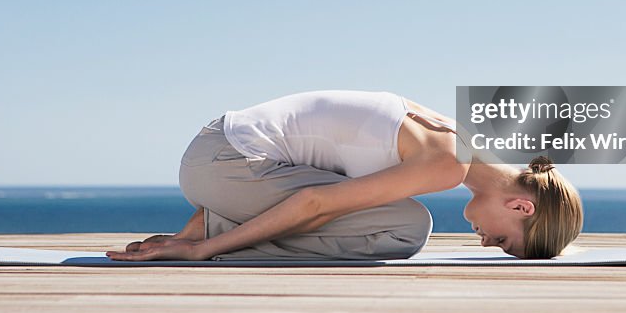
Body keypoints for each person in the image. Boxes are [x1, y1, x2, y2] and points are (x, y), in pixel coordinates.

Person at [106, 90, 583, 262]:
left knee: (389, 213)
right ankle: (217, 229)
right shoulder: (447, 162)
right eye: (503, 241)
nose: (484, 242)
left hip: (221, 155)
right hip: (226, 165)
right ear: (522, 207)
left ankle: (220, 222)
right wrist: (201, 250)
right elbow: (315, 202)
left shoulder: (456, 136)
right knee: (408, 226)